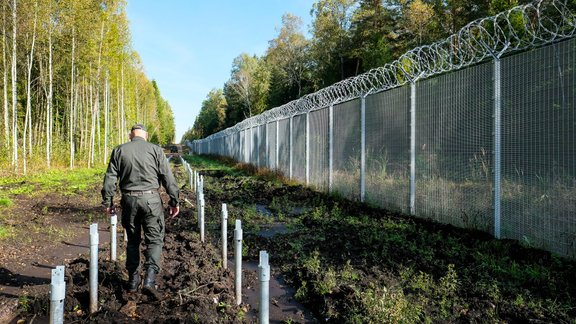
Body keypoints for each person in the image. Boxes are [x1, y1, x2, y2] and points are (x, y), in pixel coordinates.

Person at [101, 123, 180, 296]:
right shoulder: (155, 150)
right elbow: (167, 177)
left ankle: (133, 280)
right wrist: (174, 200)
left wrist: (108, 202)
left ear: (130, 135)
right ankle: (149, 280)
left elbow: (110, 179)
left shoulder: (119, 150)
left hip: (129, 200)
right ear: (146, 135)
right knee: (155, 239)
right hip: (151, 200)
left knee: (132, 240)